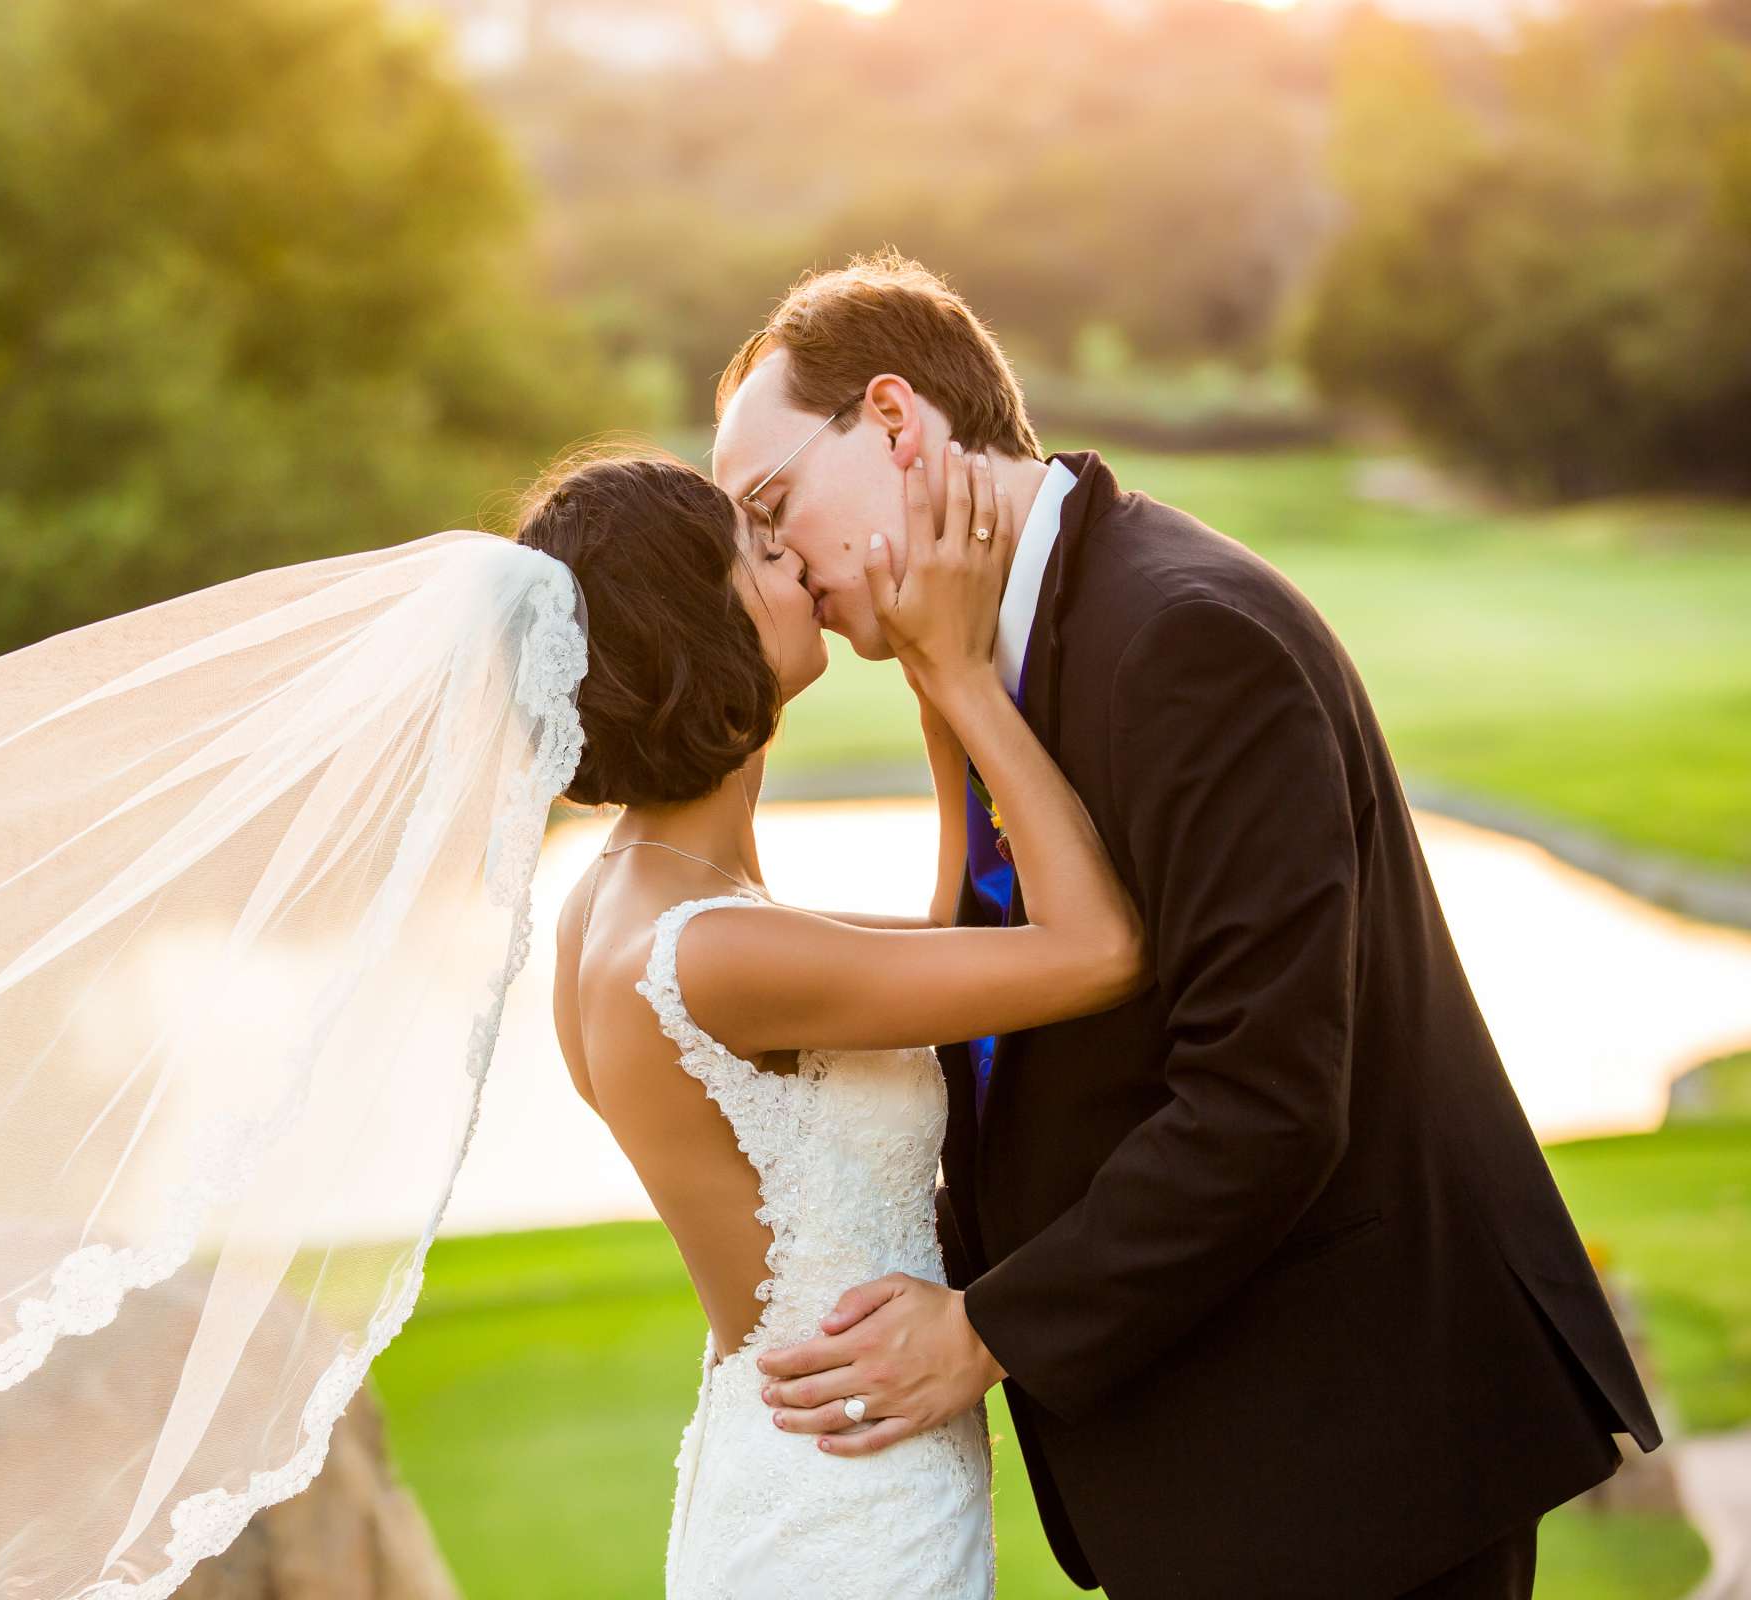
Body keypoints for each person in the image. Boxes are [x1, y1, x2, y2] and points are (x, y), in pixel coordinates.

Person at [711, 251, 1663, 1599]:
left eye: (772, 504)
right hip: (1222, 1462)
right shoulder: (987, 654)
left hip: (1348, 1462)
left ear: (893, 420)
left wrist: (983, 1332)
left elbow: (1268, 1099)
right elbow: (1018, 1025)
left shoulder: (1186, 639)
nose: (784, 564)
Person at [518, 443, 1146, 1598]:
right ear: (698, 629)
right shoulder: (712, 952)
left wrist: (931, 697)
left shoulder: (636, 904)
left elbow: (959, 945)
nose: (803, 565)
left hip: (805, 1468)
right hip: (849, 1510)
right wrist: (961, 677)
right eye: (762, 551)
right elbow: (1095, 952)